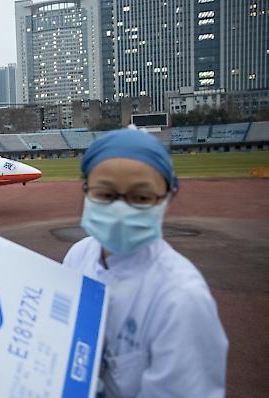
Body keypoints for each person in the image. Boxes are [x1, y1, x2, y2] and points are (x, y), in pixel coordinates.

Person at [62, 129, 228, 397]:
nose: (119, 209)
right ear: (86, 191)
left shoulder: (182, 299)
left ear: (167, 198)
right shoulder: (78, 256)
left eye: (140, 198)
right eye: (105, 195)